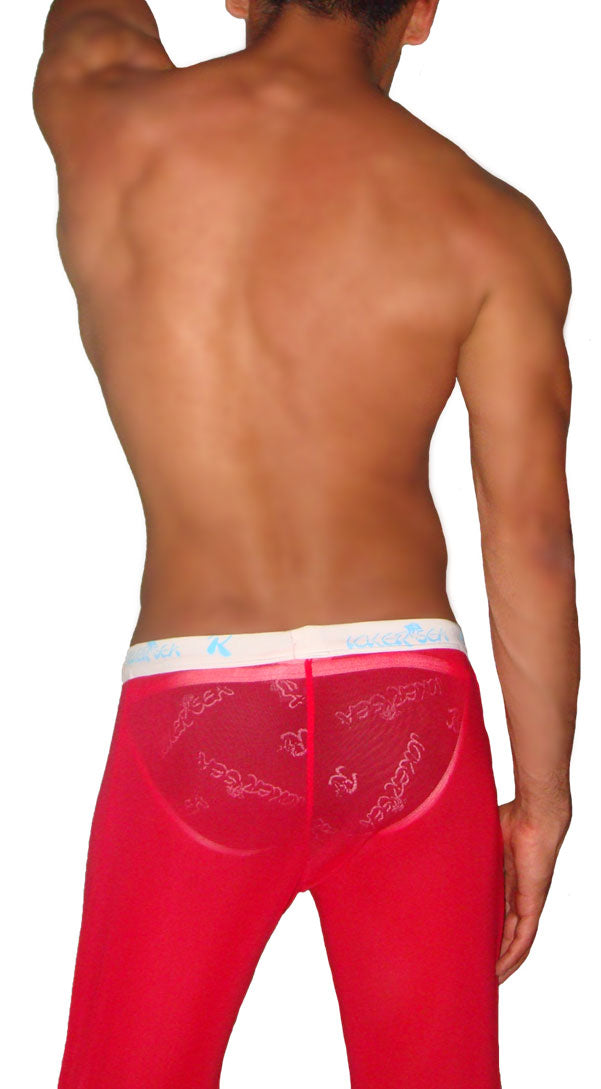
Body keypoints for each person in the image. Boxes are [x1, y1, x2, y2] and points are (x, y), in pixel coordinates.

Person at [33, 1, 580, 1086]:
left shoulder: (111, 121)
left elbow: (89, 18)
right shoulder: (492, 224)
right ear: (420, 15)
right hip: (411, 724)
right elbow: (531, 540)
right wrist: (542, 800)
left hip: (199, 714)